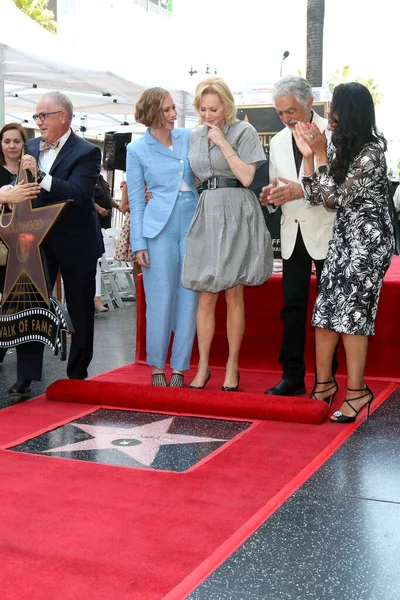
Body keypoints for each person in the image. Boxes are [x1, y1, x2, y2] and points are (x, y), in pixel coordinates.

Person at [293, 82, 394, 423]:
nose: (327, 111)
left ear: (346, 111)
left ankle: (357, 392)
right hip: (343, 239)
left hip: (367, 244)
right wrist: (309, 157)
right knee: (324, 314)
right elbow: (315, 196)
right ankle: (323, 386)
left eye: (333, 105)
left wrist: (320, 155)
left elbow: (335, 198)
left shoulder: (371, 155)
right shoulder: (340, 146)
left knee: (351, 317)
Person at [8, 91, 102, 401]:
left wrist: (41, 175)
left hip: (78, 241)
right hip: (37, 242)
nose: (38, 122)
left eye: (42, 116)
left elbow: (78, 192)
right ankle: (25, 376)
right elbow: (21, 188)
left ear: (62, 116)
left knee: (80, 309)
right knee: (31, 305)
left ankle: (76, 375)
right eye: (36, 117)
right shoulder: (31, 145)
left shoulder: (88, 151)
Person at [182, 76, 273, 391]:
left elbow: (248, 177)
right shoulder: (194, 136)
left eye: (214, 109)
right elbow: (193, 178)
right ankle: (204, 367)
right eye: (204, 109)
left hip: (236, 210)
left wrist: (222, 142)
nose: (208, 115)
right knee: (205, 294)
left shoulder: (243, 131)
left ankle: (232, 366)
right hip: (207, 210)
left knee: (234, 292)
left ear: (227, 106)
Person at [260, 75, 336, 397]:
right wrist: (271, 197)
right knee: (291, 307)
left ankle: (325, 379)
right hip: (292, 235)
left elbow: (334, 186)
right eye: (280, 113)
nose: (286, 118)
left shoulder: (332, 133)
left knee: (329, 308)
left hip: (327, 230)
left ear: (308, 103)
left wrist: (298, 191)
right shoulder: (276, 142)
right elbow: (278, 185)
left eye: (290, 110)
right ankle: (291, 376)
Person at [126, 87, 199, 387]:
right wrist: (138, 244)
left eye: (173, 109)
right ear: (153, 113)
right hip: (158, 228)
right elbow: (136, 199)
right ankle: (157, 363)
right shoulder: (136, 150)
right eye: (167, 109)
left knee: (189, 298)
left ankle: (180, 366)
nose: (173, 114)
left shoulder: (189, 137)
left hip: (193, 223)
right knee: (159, 298)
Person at [0, 123, 41, 365]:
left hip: (29, 250)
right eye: (7, 141)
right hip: (3, 250)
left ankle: (25, 372)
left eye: (17, 141)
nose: (12, 146)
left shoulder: (33, 170)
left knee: (23, 305)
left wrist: (35, 172)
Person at [114, 179, 142, 290]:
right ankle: (139, 294)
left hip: (152, 222)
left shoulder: (154, 180)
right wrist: (140, 202)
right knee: (138, 261)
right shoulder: (128, 185)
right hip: (135, 223)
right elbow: (123, 207)